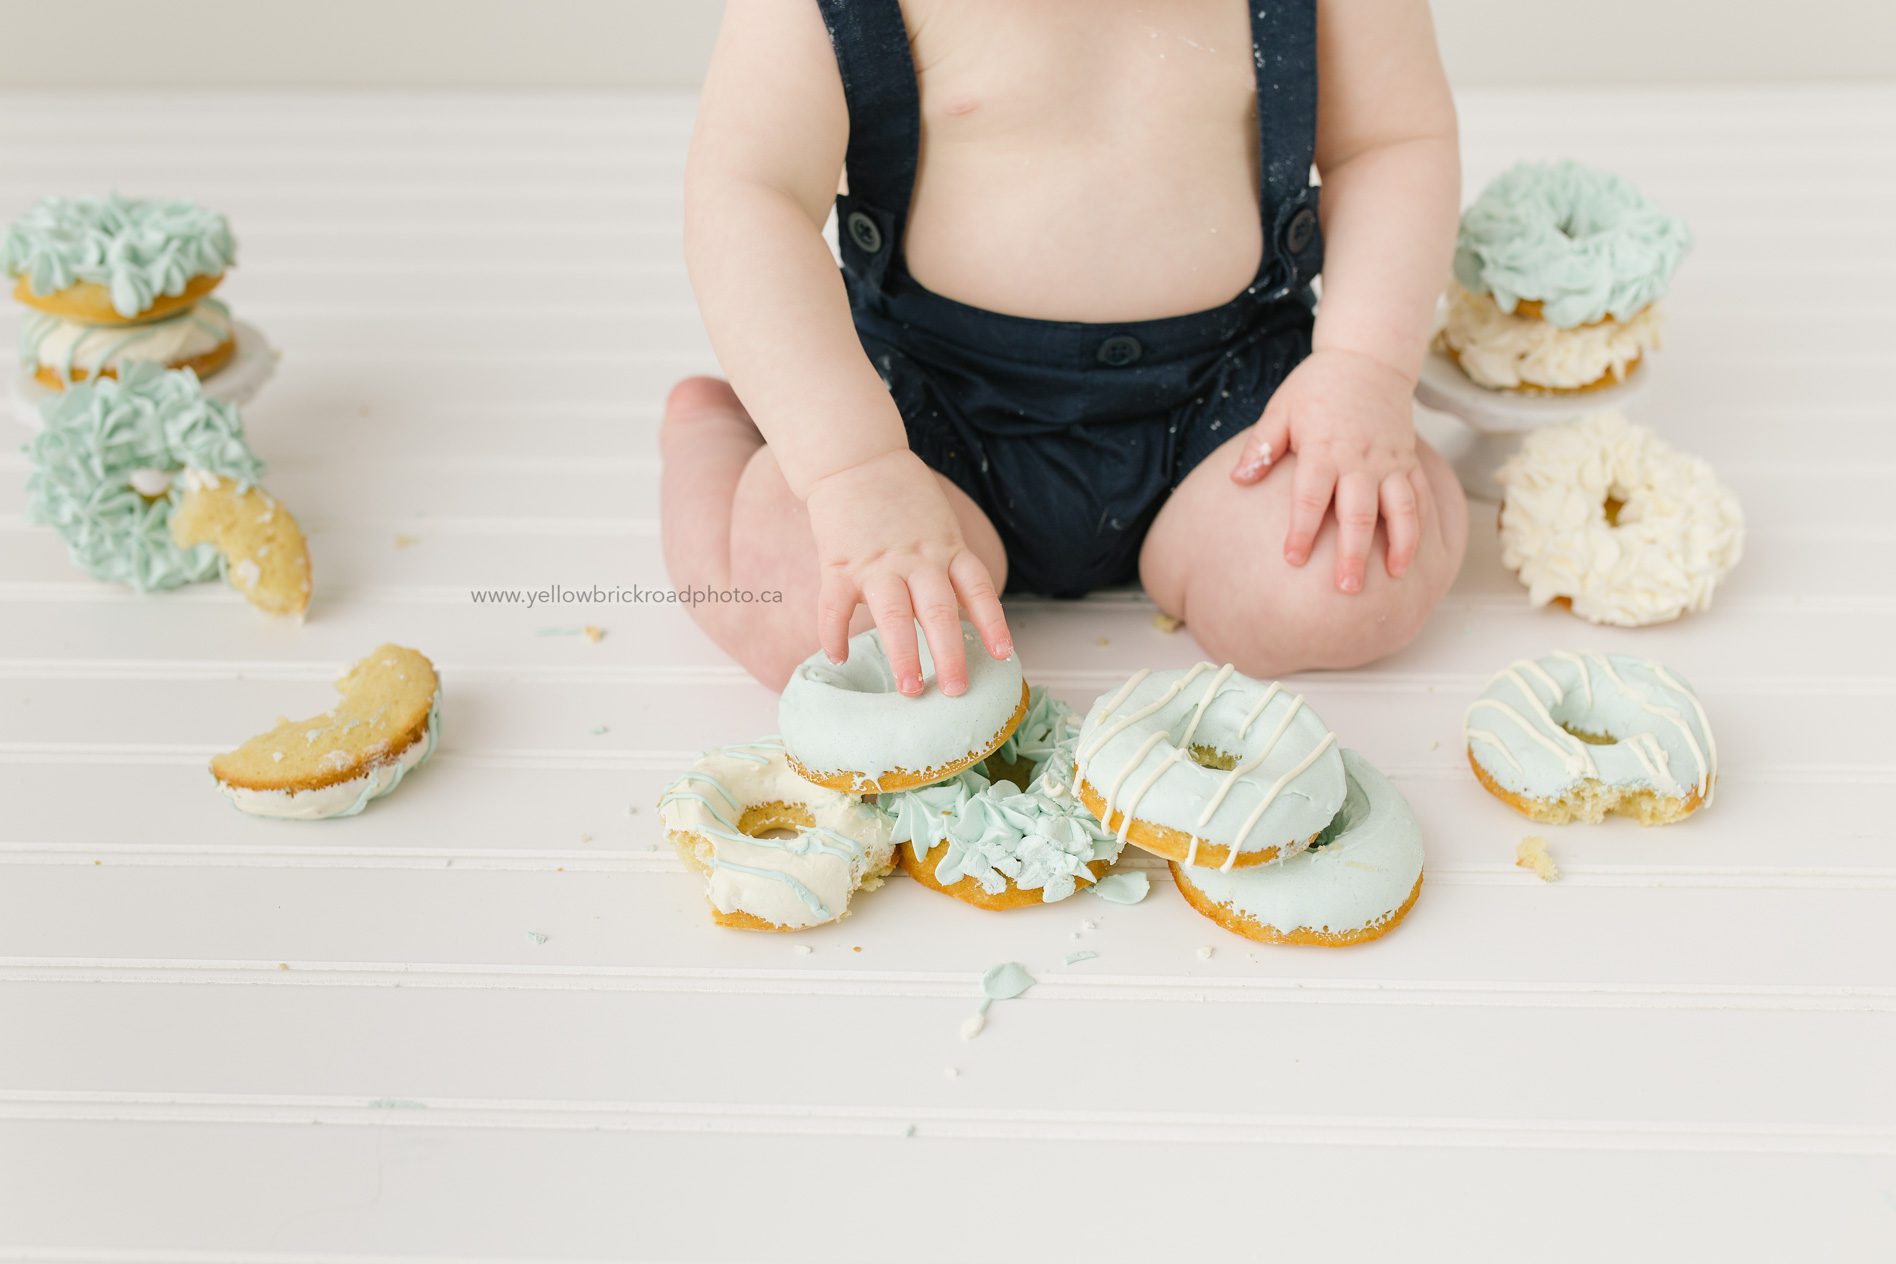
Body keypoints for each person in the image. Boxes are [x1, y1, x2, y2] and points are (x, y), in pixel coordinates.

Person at [663, 0, 1468, 696]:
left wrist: (1363, 367)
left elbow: (1390, 143)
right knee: (806, 614)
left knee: (1363, 577)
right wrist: (847, 465)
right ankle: (719, 436)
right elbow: (750, 193)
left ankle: (1212, 537)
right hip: (914, 410)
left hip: (1233, 389)